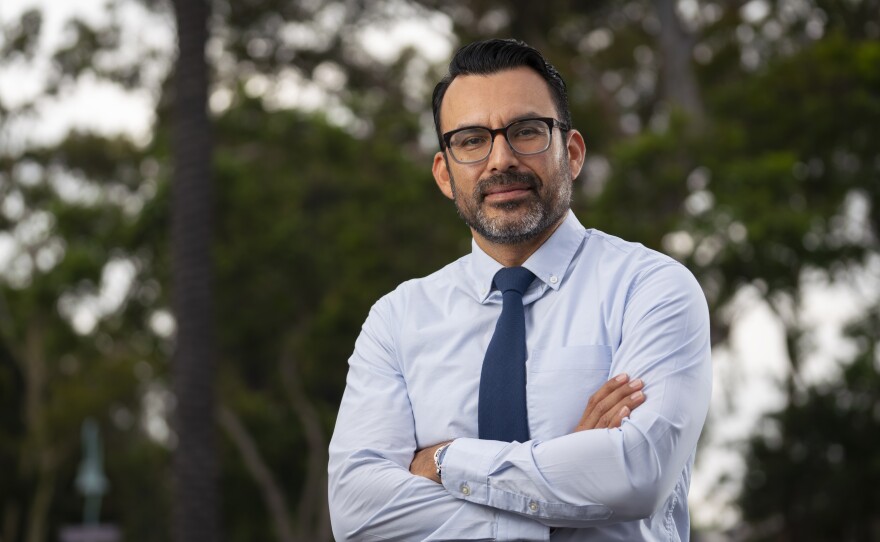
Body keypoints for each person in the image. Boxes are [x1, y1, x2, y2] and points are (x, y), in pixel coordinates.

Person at [328, 38, 712, 541]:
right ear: (445, 173)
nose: (500, 159)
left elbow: (636, 475)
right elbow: (359, 514)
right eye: (471, 140)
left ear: (571, 152)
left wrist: (445, 461)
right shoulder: (397, 320)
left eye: (526, 131)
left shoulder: (652, 288)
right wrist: (566, 473)